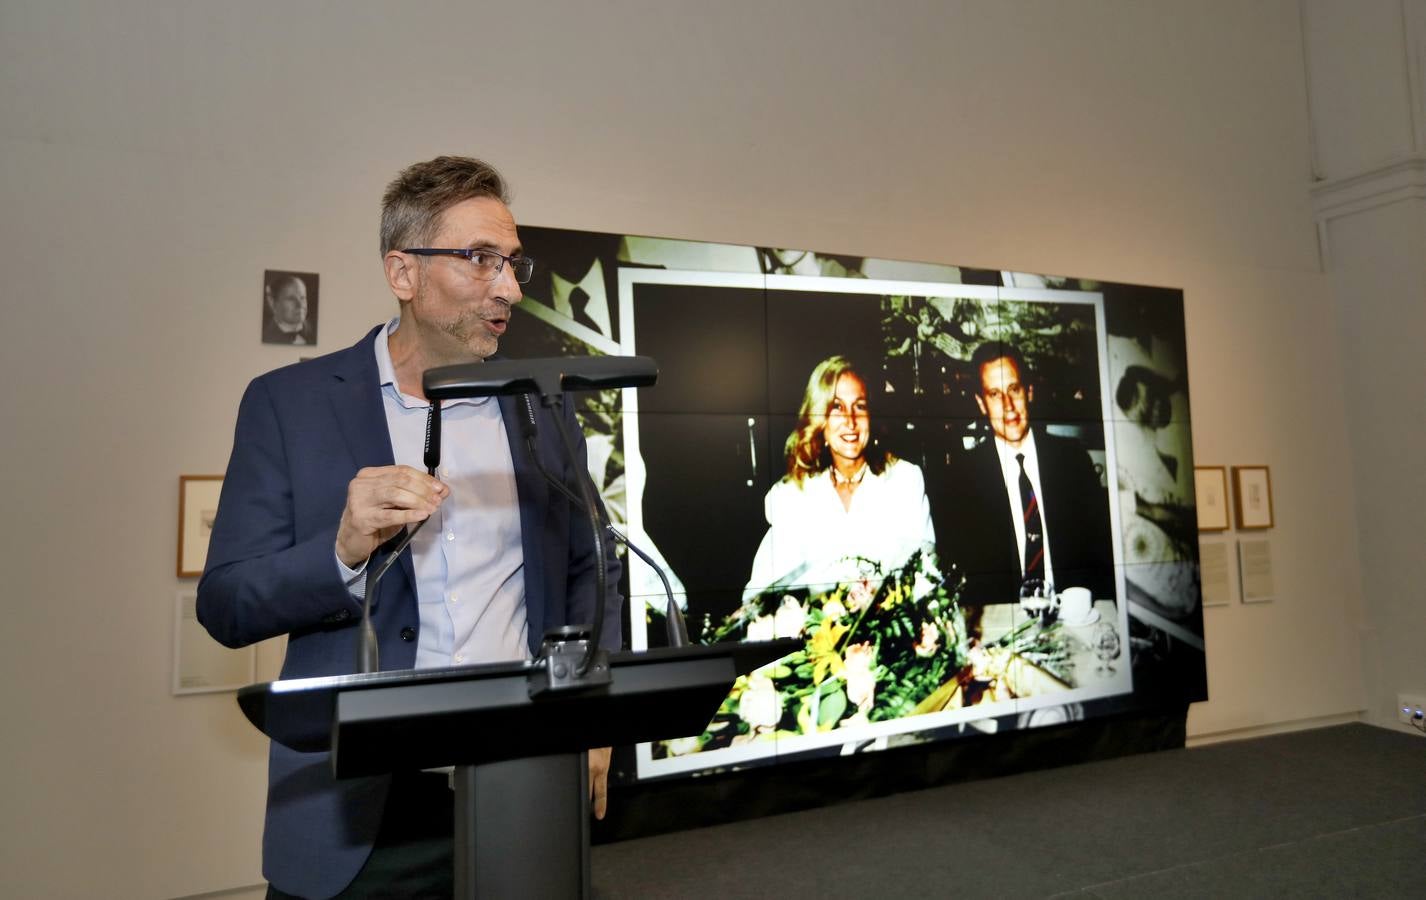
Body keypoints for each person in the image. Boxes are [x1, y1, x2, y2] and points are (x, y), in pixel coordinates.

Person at [198, 156, 622, 899]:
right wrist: (341, 551)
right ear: (404, 273)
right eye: (481, 259)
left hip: (521, 790)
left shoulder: (540, 409)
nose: (511, 287)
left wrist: (591, 717)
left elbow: (593, 567)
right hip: (358, 819)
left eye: (514, 262)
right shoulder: (288, 405)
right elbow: (227, 603)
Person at [935, 342, 1114, 606]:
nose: (1008, 405)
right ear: (981, 404)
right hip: (1004, 624)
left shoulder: (1073, 461)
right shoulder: (961, 478)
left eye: (1014, 390)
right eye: (994, 394)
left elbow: (1101, 555)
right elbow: (962, 580)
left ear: (1029, 392)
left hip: (1070, 613)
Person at [744, 355, 935, 599]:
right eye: (837, 407)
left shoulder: (904, 481)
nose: (850, 421)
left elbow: (928, 577)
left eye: (860, 406)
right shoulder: (791, 495)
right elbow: (762, 591)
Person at [261, 272, 317, 345]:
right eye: (291, 299)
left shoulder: (315, 331)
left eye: (302, 298)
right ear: (273, 303)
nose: (300, 305)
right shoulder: (266, 336)